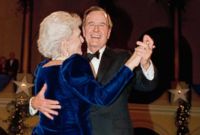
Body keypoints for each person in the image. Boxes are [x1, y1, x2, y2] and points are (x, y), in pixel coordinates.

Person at [31, 6, 158, 135]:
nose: (96, 29)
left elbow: (147, 85)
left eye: (102, 25)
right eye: (91, 24)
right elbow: (43, 94)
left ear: (109, 32)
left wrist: (145, 62)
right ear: (84, 31)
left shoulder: (124, 57)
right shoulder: (69, 63)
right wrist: (33, 102)